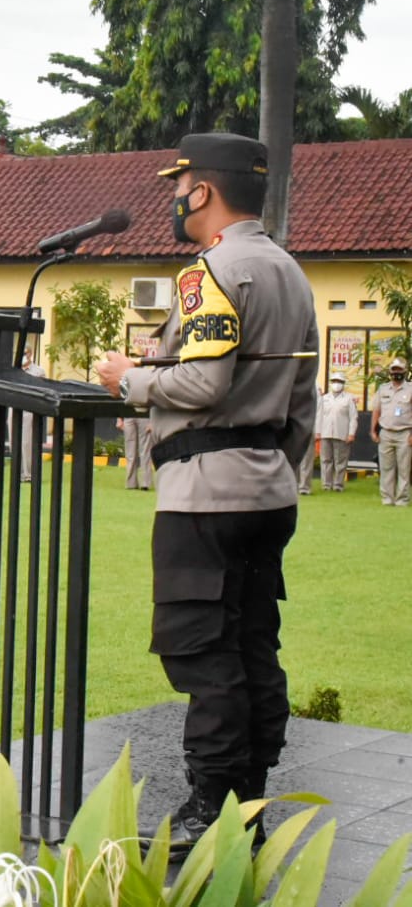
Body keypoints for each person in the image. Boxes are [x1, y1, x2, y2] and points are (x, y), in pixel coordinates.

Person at [96, 132, 318, 856]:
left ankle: (209, 804)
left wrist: (125, 379)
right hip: (264, 491)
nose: (173, 196)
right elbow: (301, 398)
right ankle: (248, 794)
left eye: (180, 183)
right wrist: (269, 465)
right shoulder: (287, 271)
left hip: (204, 495)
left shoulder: (211, 271)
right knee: (252, 641)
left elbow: (200, 383)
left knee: (203, 649)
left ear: (202, 192)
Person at [372, 356, 411, 506]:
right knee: (386, 468)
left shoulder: (411, 389)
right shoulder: (383, 389)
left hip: (405, 433)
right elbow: (376, 410)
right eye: (394, 370)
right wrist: (373, 431)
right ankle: (387, 499)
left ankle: (402, 499)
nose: (396, 373)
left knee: (404, 469)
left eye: (399, 370)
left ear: (405, 371)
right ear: (390, 371)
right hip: (386, 432)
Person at [315, 374, 356, 492]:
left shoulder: (349, 399)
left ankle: (338, 485)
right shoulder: (325, 398)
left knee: (340, 461)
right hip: (325, 432)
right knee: (325, 460)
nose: (336, 383)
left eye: (339, 381)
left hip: (342, 433)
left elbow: (353, 417)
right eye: (334, 381)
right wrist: (318, 432)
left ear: (343, 383)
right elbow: (319, 416)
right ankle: (326, 485)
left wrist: (351, 433)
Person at [19, 348, 46, 482]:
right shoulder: (14, 369)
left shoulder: (38, 371)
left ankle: (27, 472)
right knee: (15, 440)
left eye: (26, 353)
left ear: (30, 354)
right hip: (14, 406)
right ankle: (18, 471)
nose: (24, 356)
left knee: (26, 441)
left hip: (29, 409)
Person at [119, 413, 155, 491]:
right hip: (128, 414)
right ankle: (131, 483)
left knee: (145, 451)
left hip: (145, 415)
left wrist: (153, 421)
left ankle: (145, 484)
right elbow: (121, 400)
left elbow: (154, 401)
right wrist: (119, 418)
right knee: (130, 452)